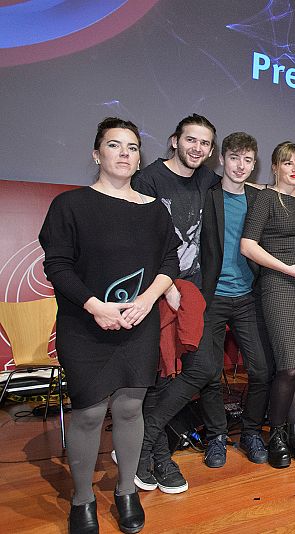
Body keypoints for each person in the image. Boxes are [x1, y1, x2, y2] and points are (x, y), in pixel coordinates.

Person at [39, 118, 179, 534]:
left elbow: (169, 262)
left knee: (130, 406)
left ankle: (125, 491)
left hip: (139, 321)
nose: (124, 153)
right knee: (88, 413)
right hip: (85, 323)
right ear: (96, 153)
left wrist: (149, 298)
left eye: (133, 147)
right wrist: (94, 306)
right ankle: (82, 501)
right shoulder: (70, 205)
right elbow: (57, 265)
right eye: (114, 145)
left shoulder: (155, 210)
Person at [133, 114, 219, 494]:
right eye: (191, 140)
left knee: (202, 367)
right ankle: (157, 456)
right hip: (154, 292)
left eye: (204, 143)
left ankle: (144, 444)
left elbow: (242, 183)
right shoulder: (148, 179)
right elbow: (138, 239)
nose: (197, 148)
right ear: (174, 140)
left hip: (193, 295)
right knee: (158, 376)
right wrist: (162, 284)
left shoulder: (206, 178)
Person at [241, 141, 295, 467]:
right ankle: (275, 434)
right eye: (287, 162)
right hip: (278, 286)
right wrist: (286, 268)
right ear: (275, 167)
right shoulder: (265, 198)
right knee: (289, 365)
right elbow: (248, 246)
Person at [193, 132, 272, 467]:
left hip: (248, 297)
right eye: (235, 158)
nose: (241, 166)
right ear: (221, 159)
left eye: (248, 160)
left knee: (262, 370)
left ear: (254, 165)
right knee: (210, 372)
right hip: (211, 298)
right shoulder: (205, 196)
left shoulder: (258, 200)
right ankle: (217, 437)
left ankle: (252, 432)